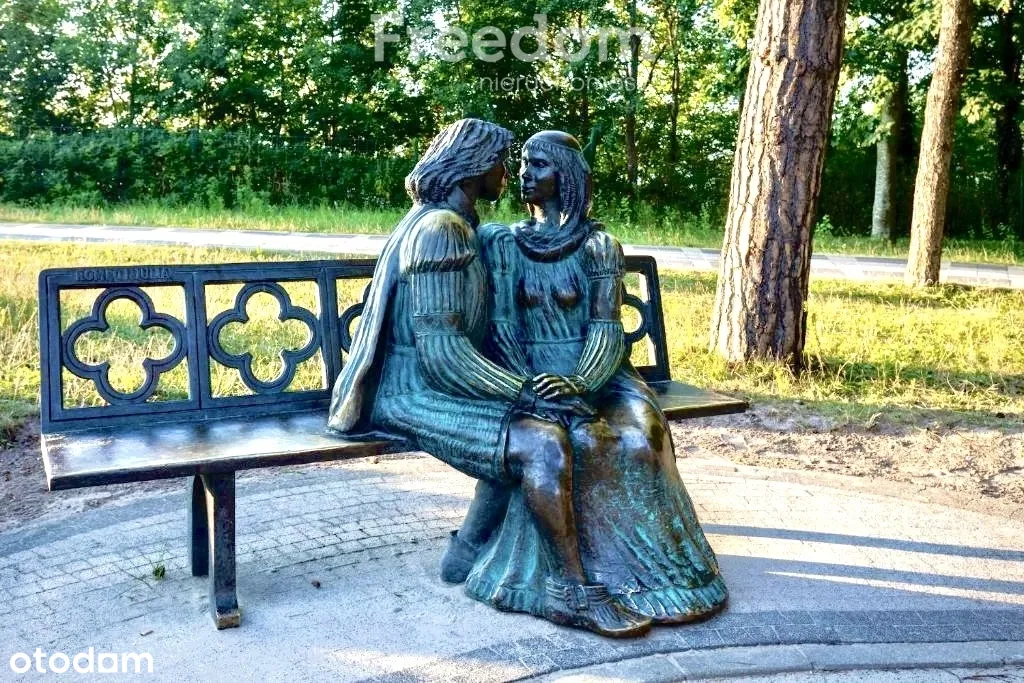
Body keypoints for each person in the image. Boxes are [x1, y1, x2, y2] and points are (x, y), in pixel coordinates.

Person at [327, 119, 652, 638]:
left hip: (437, 383)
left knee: (538, 424)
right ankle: (569, 593)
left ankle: (467, 553)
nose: (509, 173)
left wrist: (536, 386)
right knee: (540, 445)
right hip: (409, 393)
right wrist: (523, 392)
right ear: (477, 167)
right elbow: (442, 355)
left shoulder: (459, 225)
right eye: (504, 162)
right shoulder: (441, 231)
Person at [454, 130, 728, 624]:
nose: (526, 174)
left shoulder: (599, 247)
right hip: (533, 377)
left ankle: (658, 577)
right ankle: (563, 579)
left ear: (567, 176)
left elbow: (606, 330)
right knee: (582, 440)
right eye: (524, 164)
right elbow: (503, 329)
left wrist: (581, 384)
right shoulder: (504, 243)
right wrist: (534, 387)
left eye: (539, 165)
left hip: (600, 375)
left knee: (643, 439)